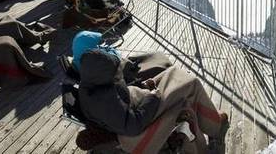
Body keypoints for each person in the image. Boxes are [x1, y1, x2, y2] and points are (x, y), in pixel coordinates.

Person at [77, 48, 228, 154]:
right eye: (115, 73)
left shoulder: (93, 86)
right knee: (190, 84)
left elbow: (120, 96)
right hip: (144, 114)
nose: (118, 74)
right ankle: (215, 126)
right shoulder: (103, 102)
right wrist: (153, 97)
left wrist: (141, 86)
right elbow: (133, 126)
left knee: (173, 73)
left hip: (139, 101)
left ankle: (211, 121)